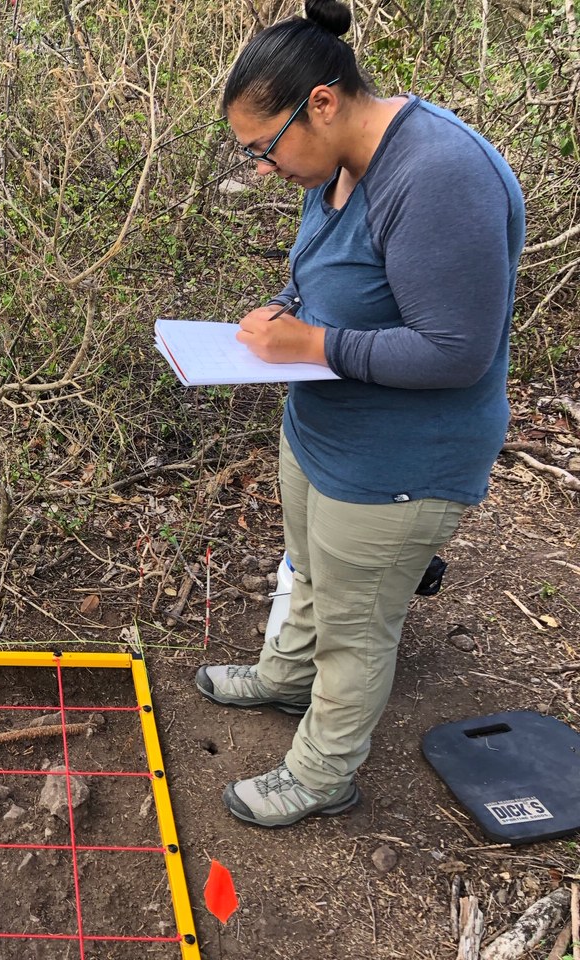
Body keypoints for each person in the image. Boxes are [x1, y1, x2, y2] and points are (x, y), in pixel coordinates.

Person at [195, 0, 525, 827]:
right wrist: (283, 310)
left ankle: (322, 774)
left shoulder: (439, 176)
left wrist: (311, 344)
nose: (264, 169)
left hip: (400, 462)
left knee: (357, 626)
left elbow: (456, 351)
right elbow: (328, 270)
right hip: (326, 431)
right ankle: (285, 678)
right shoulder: (338, 161)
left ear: (322, 103)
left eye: (265, 149)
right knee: (312, 573)